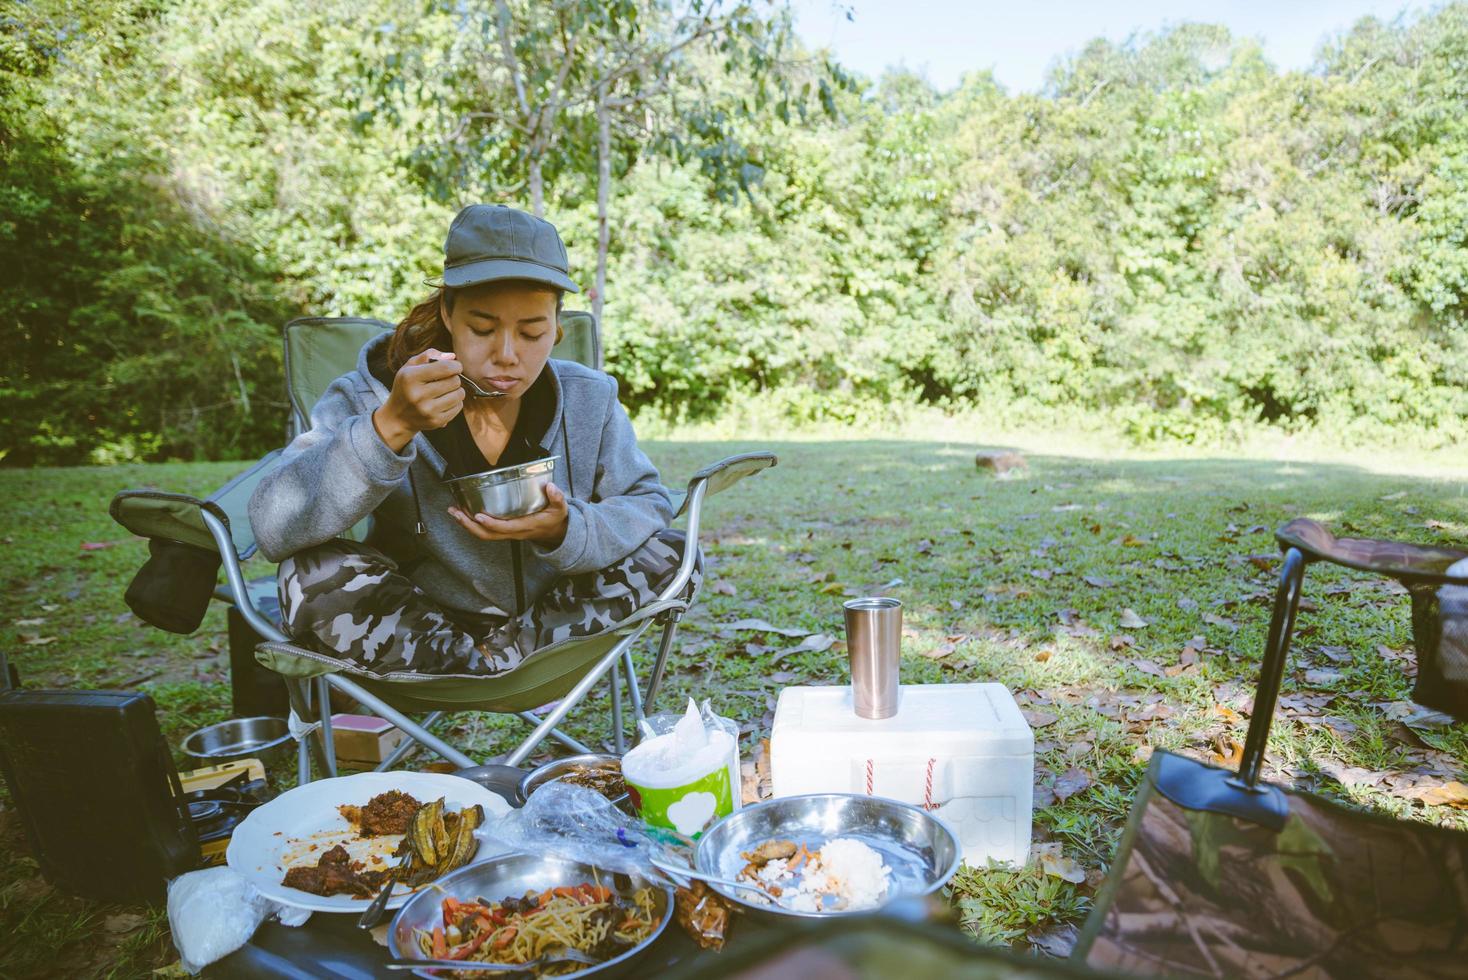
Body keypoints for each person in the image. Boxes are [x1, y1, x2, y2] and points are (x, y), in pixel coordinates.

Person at [248, 204, 696, 675]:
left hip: (552, 618)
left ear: (557, 326)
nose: (507, 356)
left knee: (675, 552)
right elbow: (273, 527)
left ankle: (498, 664)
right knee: (310, 574)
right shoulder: (370, 395)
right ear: (448, 312)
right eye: (482, 329)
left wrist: (565, 529)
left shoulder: (591, 397)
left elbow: (647, 503)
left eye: (532, 332)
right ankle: (475, 667)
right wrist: (390, 428)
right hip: (422, 624)